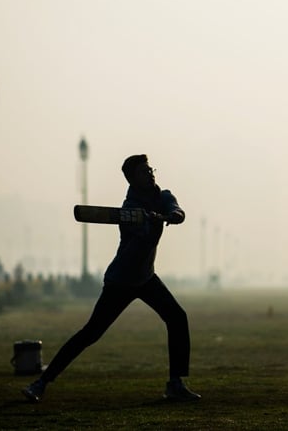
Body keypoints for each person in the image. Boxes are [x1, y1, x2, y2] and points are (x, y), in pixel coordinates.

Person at [23, 154, 200, 402]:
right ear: (132, 179)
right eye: (143, 171)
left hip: (146, 278)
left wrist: (170, 216)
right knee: (90, 333)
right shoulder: (128, 209)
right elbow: (141, 235)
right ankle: (41, 382)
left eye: (150, 169)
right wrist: (148, 221)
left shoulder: (163, 196)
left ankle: (175, 384)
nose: (149, 174)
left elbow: (177, 210)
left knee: (177, 318)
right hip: (121, 281)